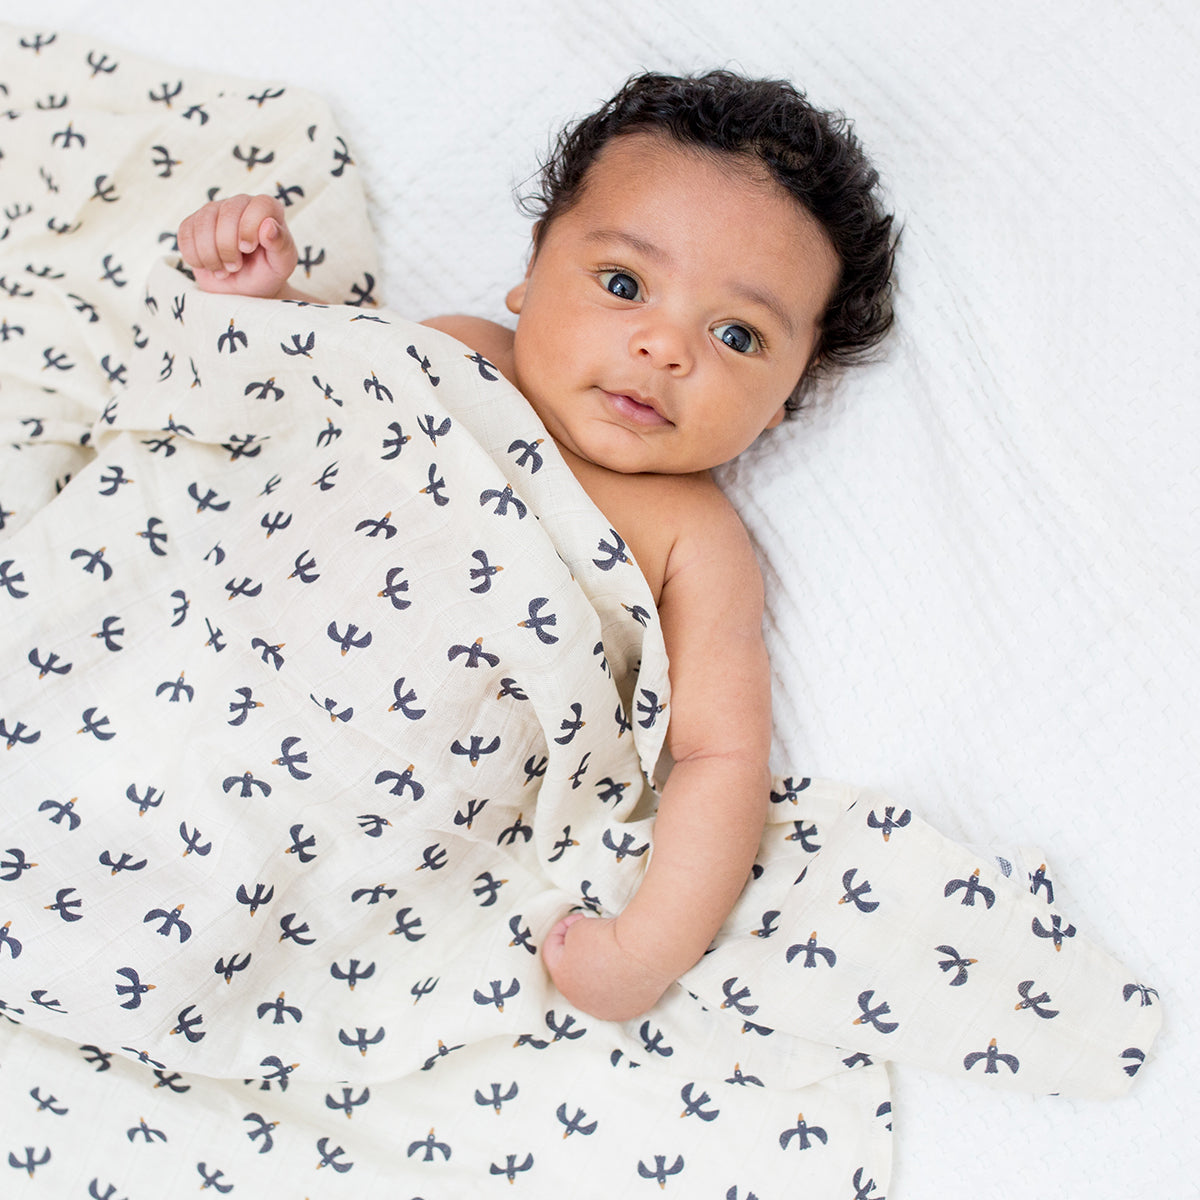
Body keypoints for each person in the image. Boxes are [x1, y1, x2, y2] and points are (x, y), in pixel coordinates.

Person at [177, 70, 896, 1022]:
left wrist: (647, 949)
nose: (665, 347)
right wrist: (267, 296)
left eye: (736, 334)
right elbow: (320, 378)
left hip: (372, 812)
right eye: (624, 284)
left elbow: (720, 762)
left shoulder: (696, 540)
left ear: (784, 403)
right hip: (203, 665)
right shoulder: (457, 350)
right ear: (530, 272)